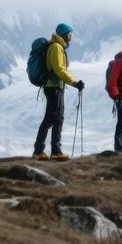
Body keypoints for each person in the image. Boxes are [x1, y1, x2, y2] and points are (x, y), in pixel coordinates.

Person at [34, 22, 85, 161]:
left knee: (57, 118)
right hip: (53, 87)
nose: (71, 36)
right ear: (64, 34)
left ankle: (53, 151)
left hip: (56, 87)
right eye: (70, 33)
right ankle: (42, 151)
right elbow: (59, 70)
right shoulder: (56, 47)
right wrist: (74, 83)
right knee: (51, 118)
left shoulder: (58, 46)